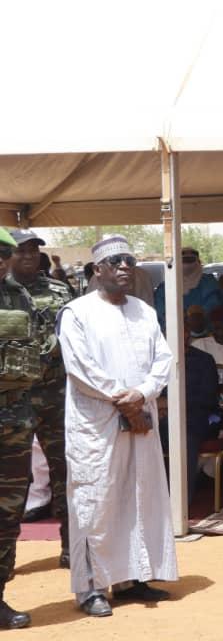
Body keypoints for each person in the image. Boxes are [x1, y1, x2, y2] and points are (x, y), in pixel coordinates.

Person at [56, 235, 176, 617]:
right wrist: (124, 399)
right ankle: (91, 588)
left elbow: (163, 359)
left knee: (140, 494)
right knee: (96, 502)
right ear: (97, 270)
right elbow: (80, 368)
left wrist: (142, 393)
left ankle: (132, 577)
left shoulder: (144, 311)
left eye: (130, 261)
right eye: (116, 261)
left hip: (139, 418)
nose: (125, 266)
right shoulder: (76, 313)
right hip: (98, 423)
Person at [7, 228, 72, 567]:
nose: (29, 255)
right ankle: (6, 559)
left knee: (67, 474)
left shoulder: (60, 291)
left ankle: (72, 549)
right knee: (11, 481)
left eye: (34, 249)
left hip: (56, 397)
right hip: (13, 401)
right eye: (22, 250)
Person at [0, 227, 41, 628]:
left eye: (4, 254)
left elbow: (37, 349)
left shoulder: (19, 297)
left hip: (13, 421)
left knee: (8, 514)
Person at [158, 324, 220, 504]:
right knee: (140, 432)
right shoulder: (158, 359)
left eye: (183, 330)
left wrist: (171, 404)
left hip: (196, 418)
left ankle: (179, 502)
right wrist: (158, 406)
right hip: (162, 417)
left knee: (183, 437)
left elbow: (208, 398)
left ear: (187, 333)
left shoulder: (204, 360)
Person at [152, 247, 223, 330]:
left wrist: (195, 319)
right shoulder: (166, 286)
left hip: (204, 331)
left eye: (190, 260)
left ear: (198, 262)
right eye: (184, 260)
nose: (187, 264)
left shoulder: (208, 281)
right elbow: (161, 311)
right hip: (174, 331)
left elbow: (213, 305)